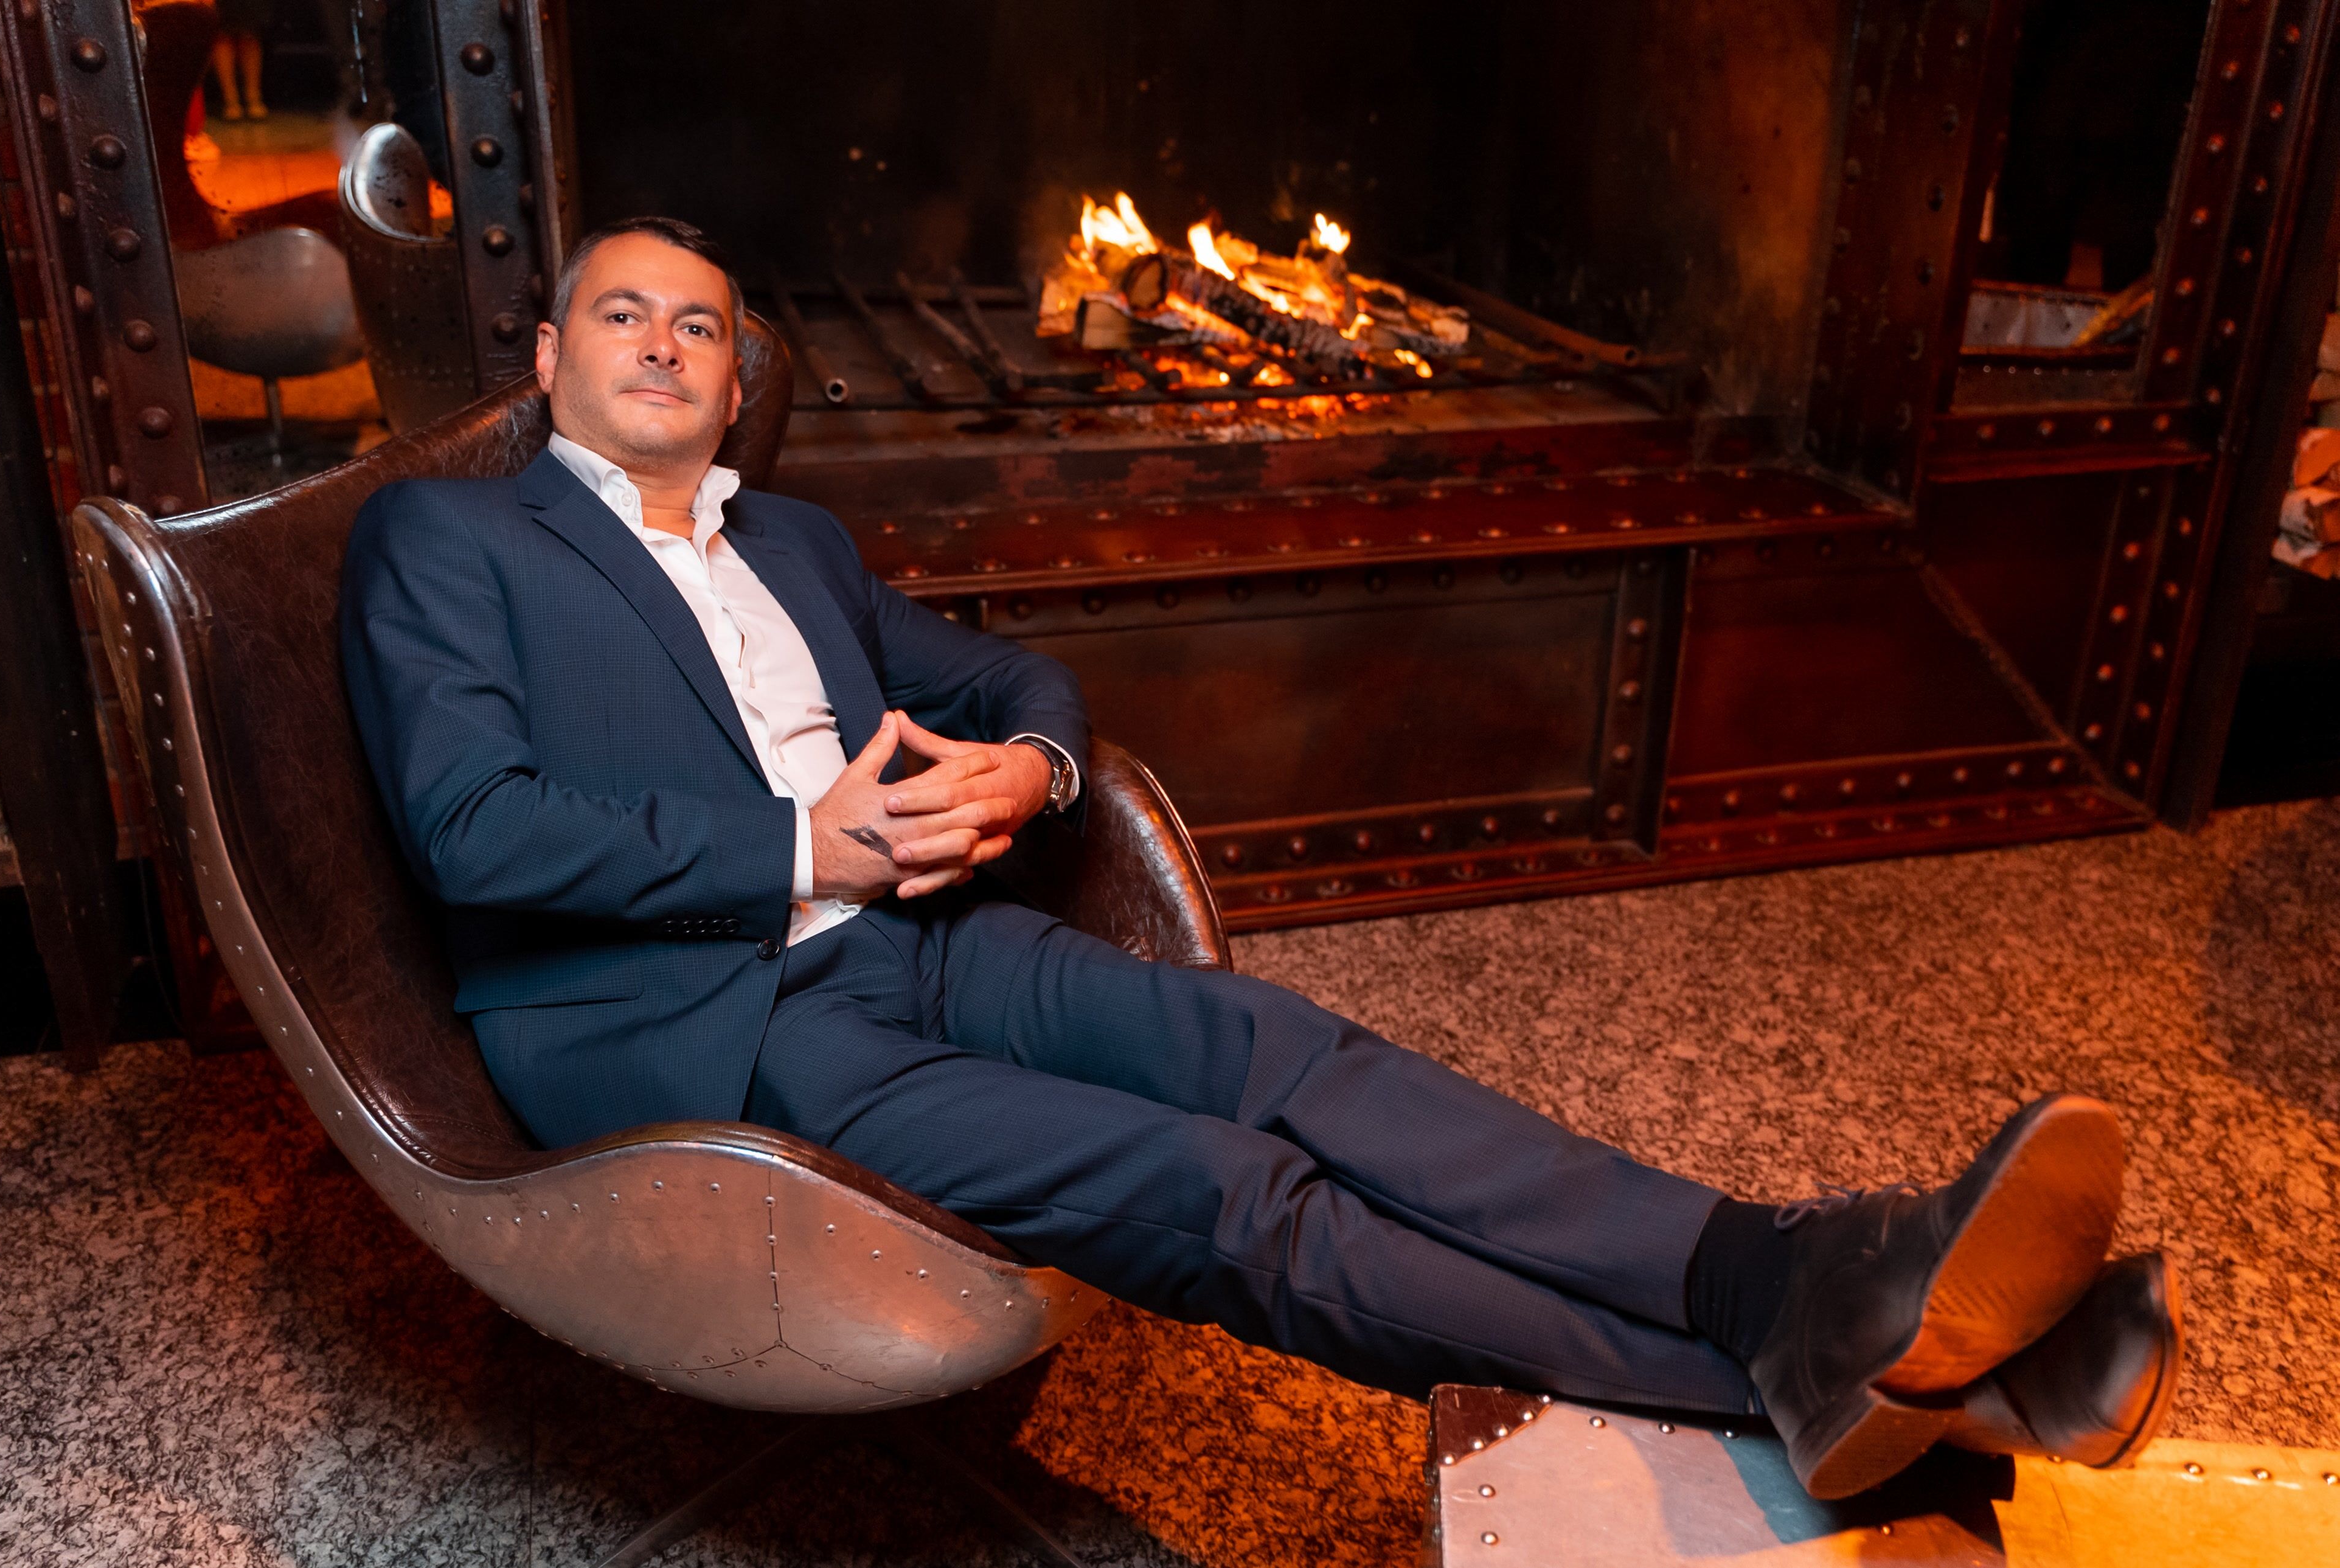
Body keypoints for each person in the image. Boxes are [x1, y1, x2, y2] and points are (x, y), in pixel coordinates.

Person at [339, 218, 2182, 1500]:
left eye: (702, 324)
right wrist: (794, 836)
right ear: (549, 356)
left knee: (1290, 1049)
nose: (667, 345)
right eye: (625, 316)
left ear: (737, 376)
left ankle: (1770, 1275)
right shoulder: (448, 538)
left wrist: (1030, 766)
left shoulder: (796, 547)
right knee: (1232, 1195)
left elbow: (1013, 675)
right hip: (720, 1025)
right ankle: (1832, 1386)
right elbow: (470, 826)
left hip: (931, 937)